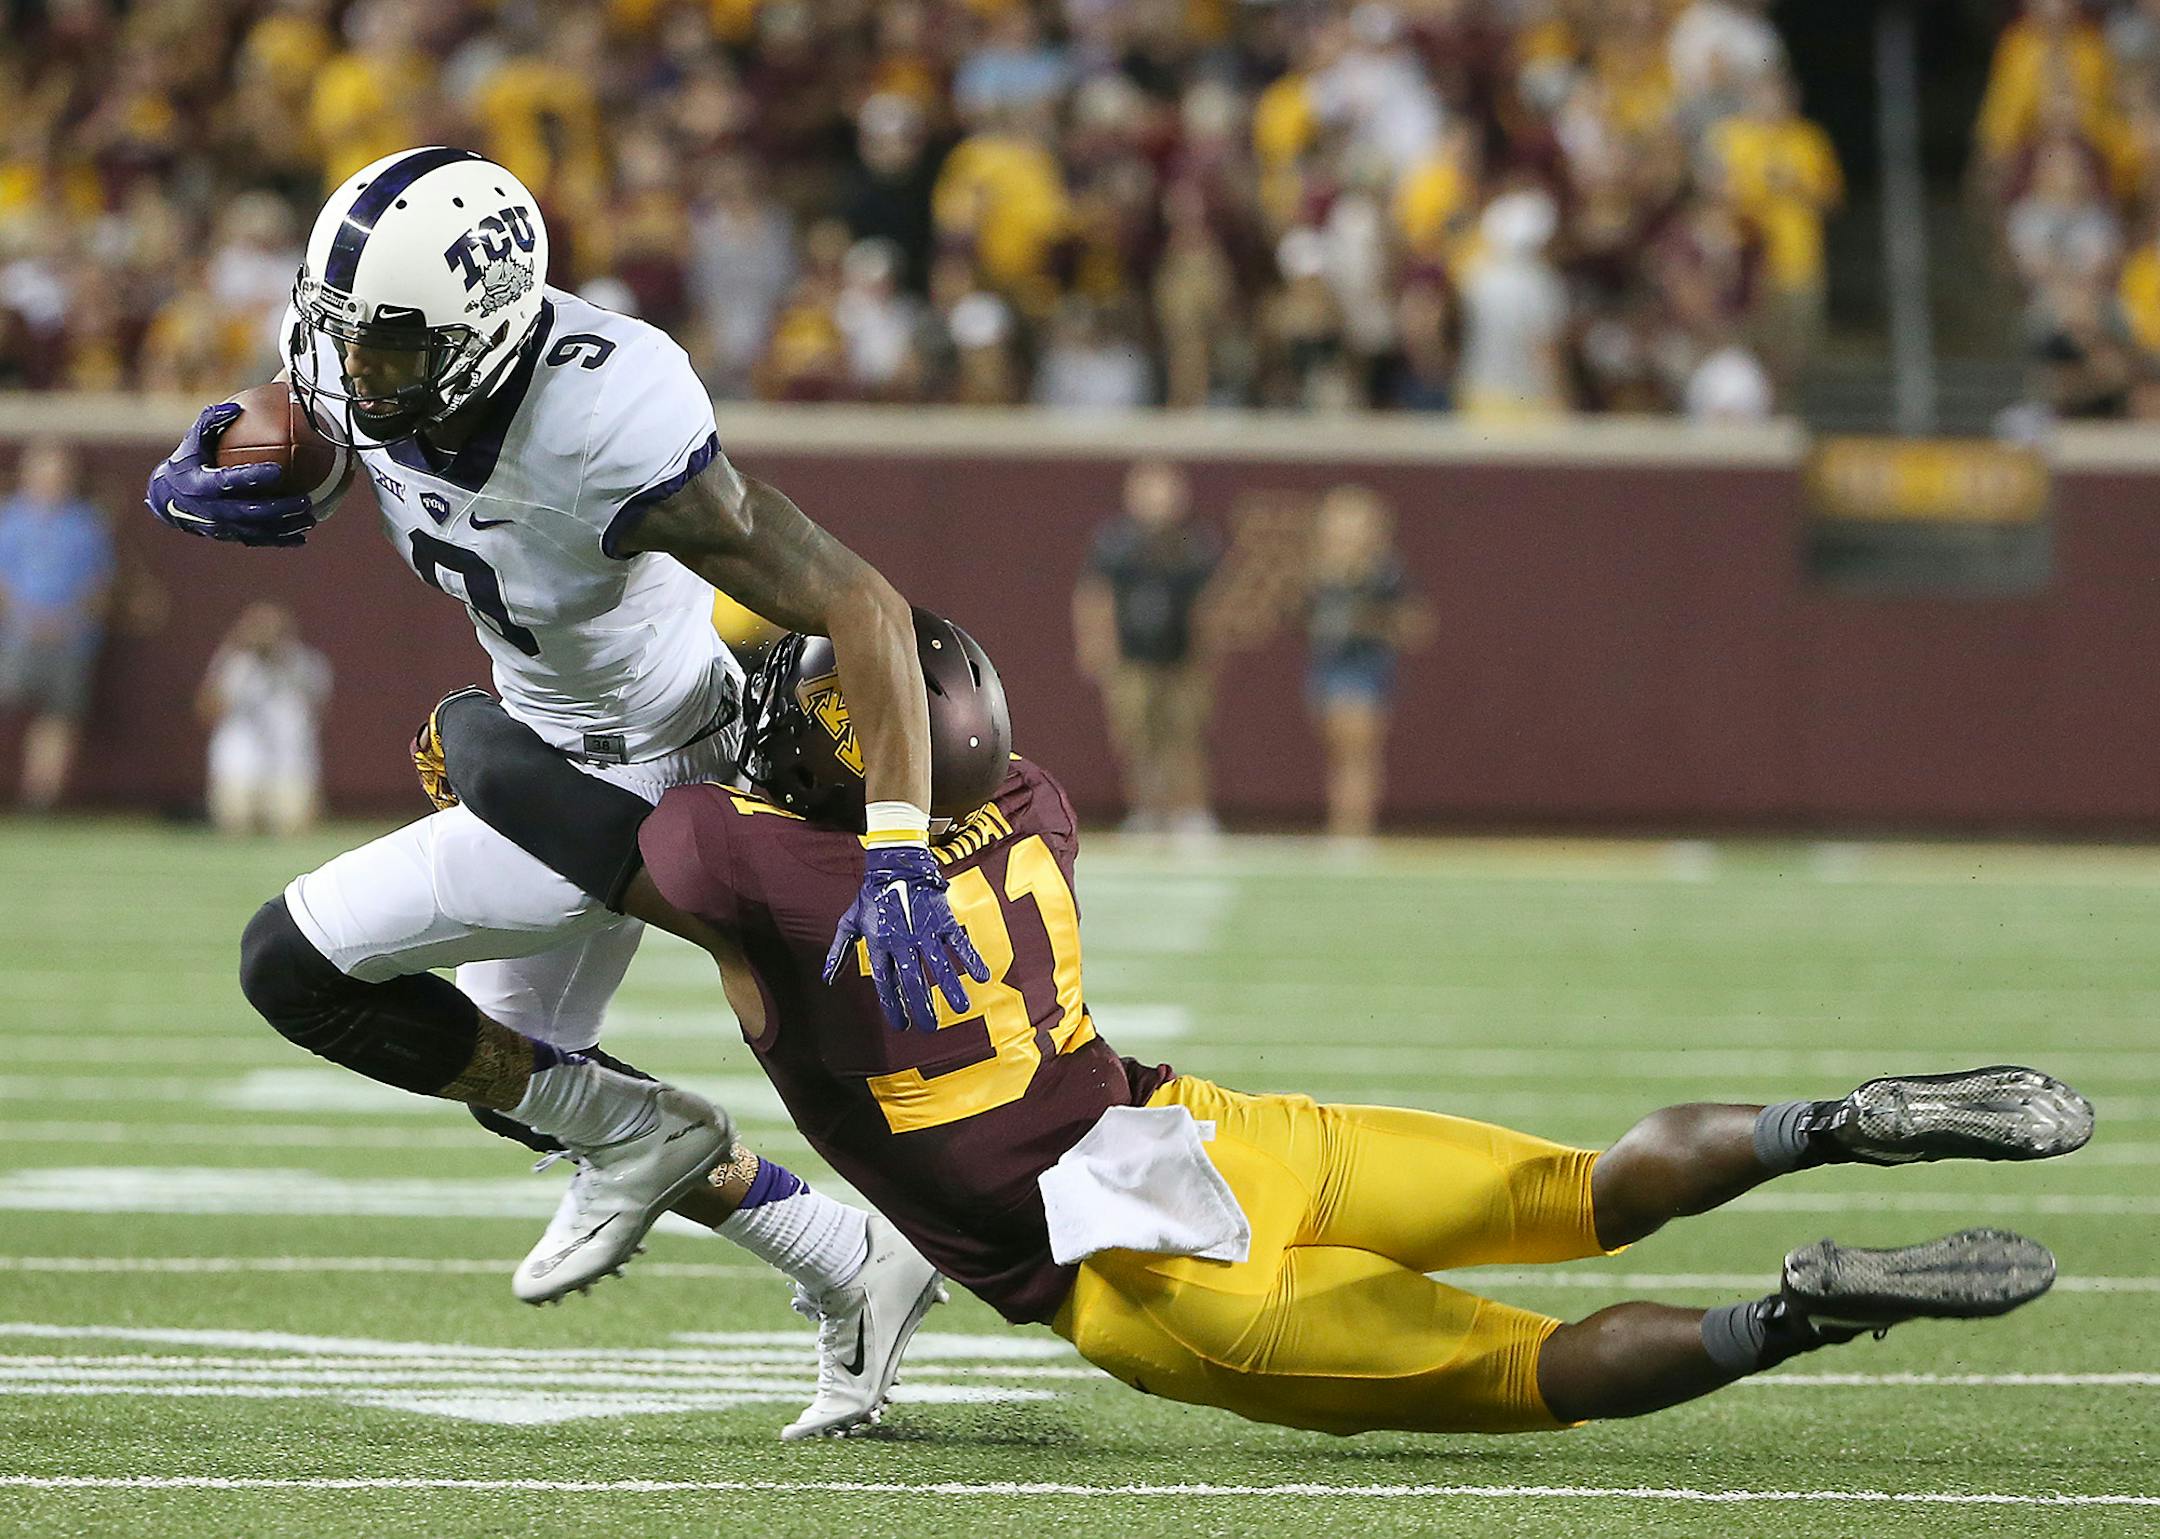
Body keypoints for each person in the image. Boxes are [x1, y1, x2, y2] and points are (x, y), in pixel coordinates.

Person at [425, 611, 2090, 1441]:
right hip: (1199, 1129)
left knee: (1532, 1367)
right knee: (1586, 1185)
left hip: (1130, 1274)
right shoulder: (1028, 795)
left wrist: (461, 714)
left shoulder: (745, 870)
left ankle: (1802, 1314)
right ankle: (1839, 1123)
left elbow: (520, 790)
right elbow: (864, 700)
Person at [142, 147, 987, 1439]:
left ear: (482, 336)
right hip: (540, 753)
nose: (349, 372)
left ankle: (653, 1139)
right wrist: (235, 454)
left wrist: (899, 847)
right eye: (340, 338)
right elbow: (323, 420)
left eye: (386, 352)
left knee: (291, 965)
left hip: (646, 768)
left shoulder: (605, 418)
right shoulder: (370, 341)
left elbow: (863, 601)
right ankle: (847, 1257)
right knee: (521, 1076)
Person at [1073, 460, 1221, 837]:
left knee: (1185, 734)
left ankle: (1190, 811)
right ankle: (1146, 809)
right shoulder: (1116, 543)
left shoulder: (1194, 544)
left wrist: (1208, 652)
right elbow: (1095, 594)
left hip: (1181, 656)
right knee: (1136, 736)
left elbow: (1211, 603)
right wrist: (1096, 644)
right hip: (1132, 656)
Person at [1304, 484, 1430, 841]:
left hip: (1364, 667)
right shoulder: (1320, 572)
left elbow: (1415, 624)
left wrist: (1370, 621)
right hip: (1328, 666)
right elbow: (1303, 618)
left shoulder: (1383, 573)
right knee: (1338, 752)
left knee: (1358, 751)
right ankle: (1341, 823)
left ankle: (1355, 828)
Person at [0, 441, 113, 812]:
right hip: (16, 635)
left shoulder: (85, 524)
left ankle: (40, 799)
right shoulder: (9, 521)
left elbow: (99, 584)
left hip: (71, 636)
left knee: (59, 717)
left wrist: (66, 619)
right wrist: (27, 617)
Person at [196, 602, 333, 835]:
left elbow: (319, 708)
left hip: (288, 760)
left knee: (293, 822)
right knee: (235, 818)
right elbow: (207, 710)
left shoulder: (303, 664)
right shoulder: (234, 664)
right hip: (240, 759)